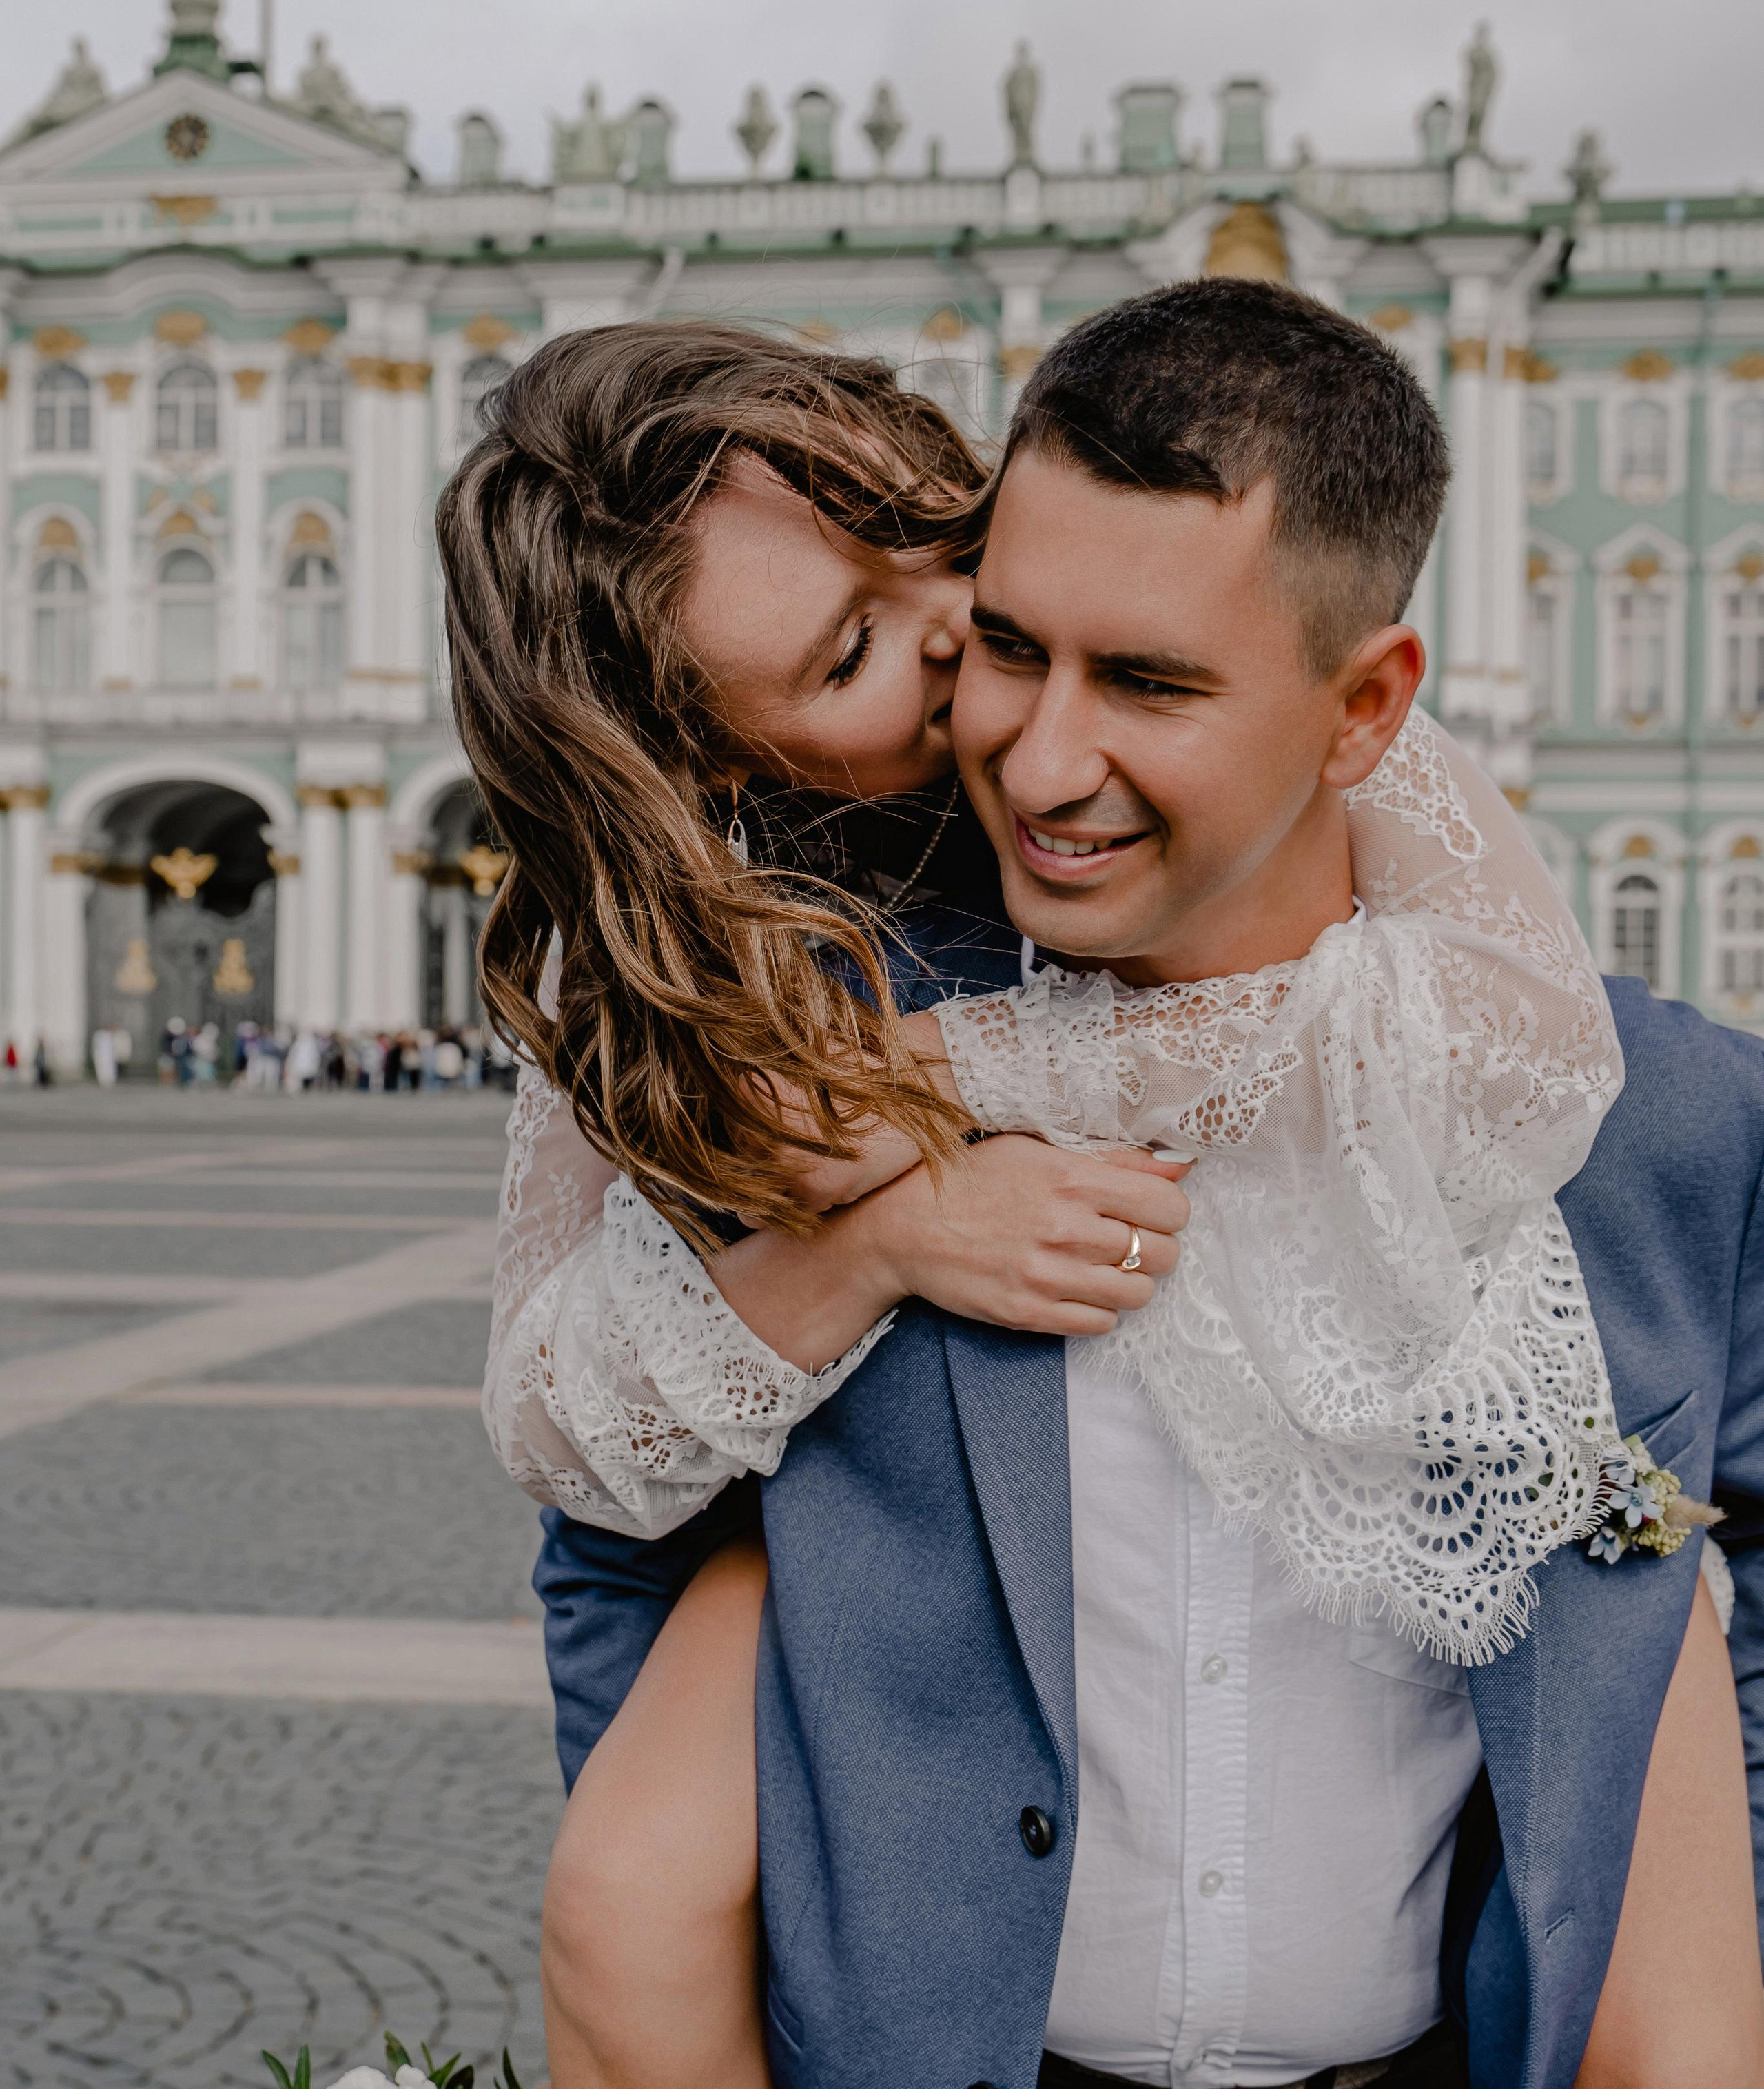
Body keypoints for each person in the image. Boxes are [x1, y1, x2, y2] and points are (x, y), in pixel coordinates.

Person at [444, 299, 1764, 2089]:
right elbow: (588, 1489)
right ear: (731, 772)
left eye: (932, 537)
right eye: (861, 654)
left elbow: (1523, 1040)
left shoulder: (1586, 1065)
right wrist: (873, 1233)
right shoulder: (714, 1009)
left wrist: (944, 1083)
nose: (963, 648)